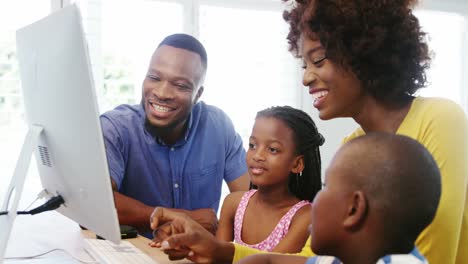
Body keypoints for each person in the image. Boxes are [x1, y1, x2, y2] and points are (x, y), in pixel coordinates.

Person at [282, 0, 468, 263]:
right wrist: (227, 253)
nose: (307, 78)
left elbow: (430, 255)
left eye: (319, 60)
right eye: (305, 66)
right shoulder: (353, 148)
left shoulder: (440, 118)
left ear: (363, 51)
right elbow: (317, 257)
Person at [149, 133, 441, 264]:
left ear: (353, 209)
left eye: (327, 188)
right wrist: (208, 247)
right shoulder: (335, 260)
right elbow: (268, 263)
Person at [100, 33, 249, 237]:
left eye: (180, 85)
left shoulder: (218, 126)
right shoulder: (115, 128)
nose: (162, 93)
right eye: (154, 78)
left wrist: (220, 238)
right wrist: (180, 217)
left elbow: (251, 200)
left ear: (198, 94)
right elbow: (98, 201)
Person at [215, 106, 324, 253]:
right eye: (252, 145)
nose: (257, 155)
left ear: (297, 164)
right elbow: (216, 256)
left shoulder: (304, 217)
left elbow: (270, 262)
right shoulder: (233, 203)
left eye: (272, 149)